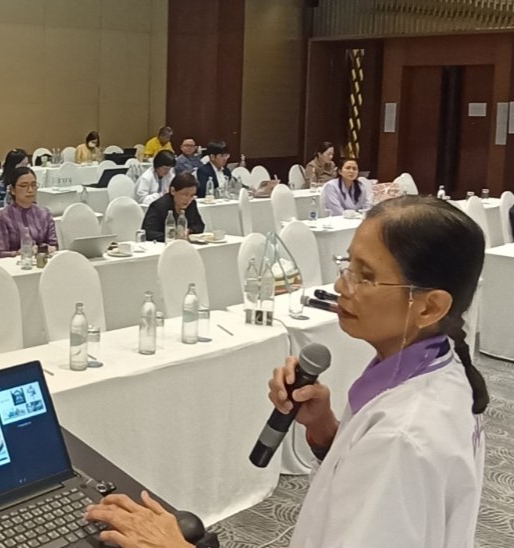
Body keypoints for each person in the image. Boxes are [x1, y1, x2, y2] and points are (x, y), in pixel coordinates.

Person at [85, 196, 488, 548]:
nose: (341, 285)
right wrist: (326, 431)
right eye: (347, 265)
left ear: (430, 306)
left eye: (365, 276)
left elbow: (389, 470)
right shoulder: (439, 366)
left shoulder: (402, 438)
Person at [0, 167, 57, 258]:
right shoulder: (3, 216)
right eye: (23, 186)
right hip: (14, 263)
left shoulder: (45, 213)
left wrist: (50, 248)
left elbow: (54, 244)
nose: (30, 190)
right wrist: (19, 253)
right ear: (12, 190)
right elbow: (0, 253)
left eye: (33, 185)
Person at [141, 172, 205, 242]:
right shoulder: (158, 206)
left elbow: (200, 225)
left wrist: (189, 230)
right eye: (185, 194)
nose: (188, 199)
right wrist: (173, 236)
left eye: (192, 195)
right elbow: (147, 233)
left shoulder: (192, 203)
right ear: (173, 191)